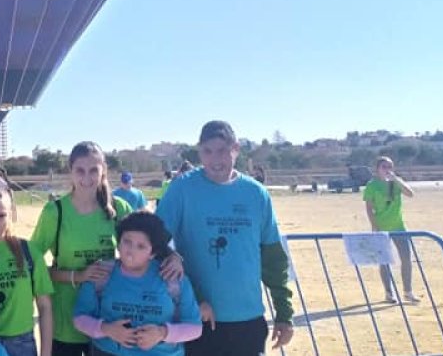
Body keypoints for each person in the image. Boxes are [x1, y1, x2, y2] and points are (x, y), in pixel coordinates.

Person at [155, 121, 294, 356]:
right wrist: (173, 256)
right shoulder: (182, 189)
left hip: (247, 319)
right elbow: (153, 239)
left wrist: (284, 313)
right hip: (197, 317)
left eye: (222, 150)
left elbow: (273, 259)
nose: (215, 159)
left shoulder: (256, 193)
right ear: (199, 151)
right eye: (207, 151)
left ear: (236, 149)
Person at [30, 142, 145, 356]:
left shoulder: (119, 208)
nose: (87, 178)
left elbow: (146, 248)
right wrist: (77, 276)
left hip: (108, 322)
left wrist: (173, 257)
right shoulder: (55, 212)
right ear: (70, 173)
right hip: (66, 323)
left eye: (94, 170)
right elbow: (33, 268)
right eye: (80, 170)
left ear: (103, 171)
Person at [72, 212, 201, 355]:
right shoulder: (101, 273)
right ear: (118, 243)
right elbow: (80, 318)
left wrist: (162, 333)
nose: (130, 251)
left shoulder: (172, 277)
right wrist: (106, 329)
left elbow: (195, 328)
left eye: (141, 246)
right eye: (127, 242)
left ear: (153, 253)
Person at [0, 184, 54, 356]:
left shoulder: (28, 251)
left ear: (11, 214)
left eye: (1, 215)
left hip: (22, 344)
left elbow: (44, 306)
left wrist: (46, 353)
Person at [363, 156, 418, 303]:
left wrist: (397, 180)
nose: (387, 170)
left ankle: (408, 291)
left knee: (406, 258)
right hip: (382, 227)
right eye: (384, 167)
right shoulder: (372, 185)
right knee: (384, 261)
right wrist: (374, 225)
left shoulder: (396, 182)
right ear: (377, 169)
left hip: (399, 227)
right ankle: (389, 293)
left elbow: (410, 194)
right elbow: (368, 207)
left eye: (390, 167)